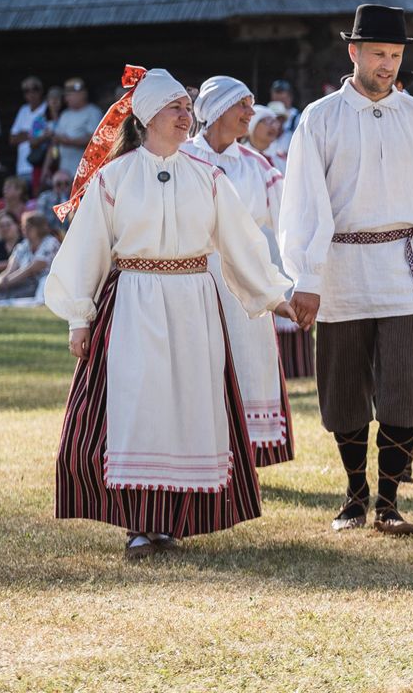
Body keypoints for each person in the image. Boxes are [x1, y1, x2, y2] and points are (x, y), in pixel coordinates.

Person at [47, 66, 298, 562]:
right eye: (175, 108)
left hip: (192, 304)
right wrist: (81, 317)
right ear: (146, 117)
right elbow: (88, 249)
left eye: (188, 107)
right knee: (139, 407)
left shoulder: (207, 177)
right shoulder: (113, 179)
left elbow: (240, 243)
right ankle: (138, 524)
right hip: (133, 303)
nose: (186, 116)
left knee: (186, 408)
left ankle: (174, 521)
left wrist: (274, 294)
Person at [279, 6, 413, 538]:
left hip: (406, 271)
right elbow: (304, 201)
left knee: (405, 387)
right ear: (353, 52)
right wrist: (307, 277)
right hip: (343, 270)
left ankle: (389, 502)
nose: (387, 65)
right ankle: (355, 496)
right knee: (344, 388)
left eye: (395, 56)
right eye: (378, 54)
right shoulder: (320, 118)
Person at [185, 74, 297, 469]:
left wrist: (299, 278)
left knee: (247, 358)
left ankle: (243, 456)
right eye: (243, 105)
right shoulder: (180, 159)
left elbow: (287, 224)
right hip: (192, 279)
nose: (252, 113)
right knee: (195, 363)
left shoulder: (257, 166)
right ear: (216, 112)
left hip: (244, 280)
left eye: (252, 105)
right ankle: (198, 450)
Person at [49, 79, 104, 183]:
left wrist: (68, 141)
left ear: (82, 94)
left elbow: (94, 140)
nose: (66, 99)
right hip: (64, 174)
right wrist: (52, 162)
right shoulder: (65, 115)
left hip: (85, 174)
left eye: (69, 95)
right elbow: (55, 143)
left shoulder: (93, 112)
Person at [10, 78, 51, 179]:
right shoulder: (23, 110)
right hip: (22, 167)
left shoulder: (48, 108)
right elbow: (12, 139)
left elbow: (49, 134)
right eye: (27, 90)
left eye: (35, 89)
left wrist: (24, 134)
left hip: (39, 166)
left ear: (41, 90)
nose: (31, 93)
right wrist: (33, 134)